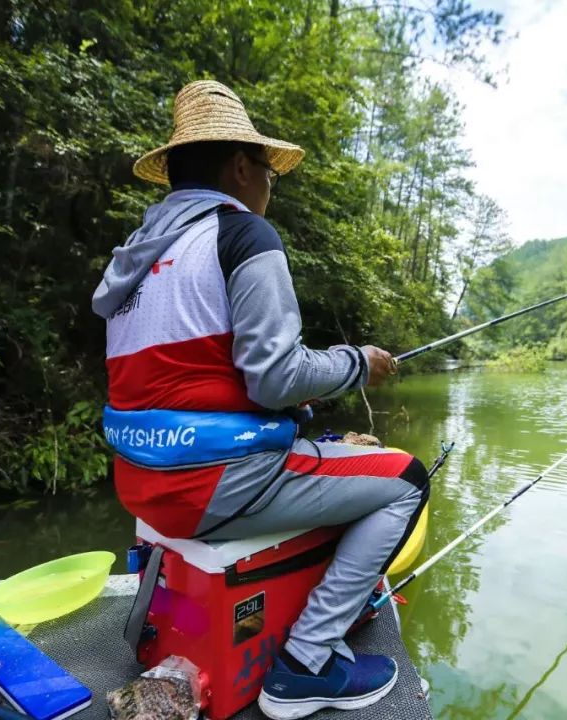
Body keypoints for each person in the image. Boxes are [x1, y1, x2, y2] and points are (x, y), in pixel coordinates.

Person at [91, 80, 429, 720]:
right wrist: (359, 363)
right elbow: (274, 379)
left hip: (141, 484)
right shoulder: (243, 236)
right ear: (241, 168)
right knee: (407, 480)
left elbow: (193, 377)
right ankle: (304, 666)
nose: (270, 188)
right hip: (215, 485)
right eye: (268, 173)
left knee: (322, 451)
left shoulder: (134, 259)